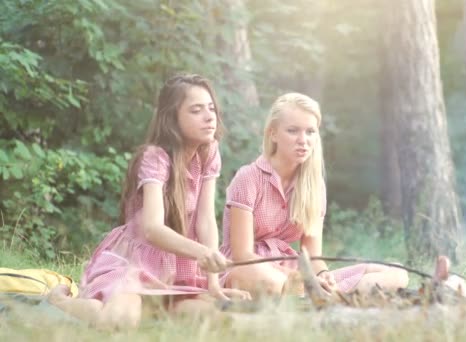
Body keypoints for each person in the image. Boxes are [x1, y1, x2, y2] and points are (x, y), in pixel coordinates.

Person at [48, 74, 249, 329]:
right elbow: (152, 230)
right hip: (136, 263)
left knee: (214, 320)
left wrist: (213, 283)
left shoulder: (209, 150)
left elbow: (206, 220)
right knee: (120, 322)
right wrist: (202, 252)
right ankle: (62, 303)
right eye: (196, 110)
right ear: (172, 118)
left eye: (211, 108)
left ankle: (150, 308)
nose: (210, 117)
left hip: (177, 265)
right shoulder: (155, 157)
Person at [220, 92, 409, 297]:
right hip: (249, 269)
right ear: (273, 134)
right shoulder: (248, 177)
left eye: (310, 132)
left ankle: (329, 294)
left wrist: (323, 274)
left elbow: (312, 256)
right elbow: (242, 255)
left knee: (397, 272)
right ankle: (324, 294)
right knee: (273, 282)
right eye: (293, 131)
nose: (303, 140)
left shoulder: (314, 185)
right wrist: (302, 278)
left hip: (298, 273)